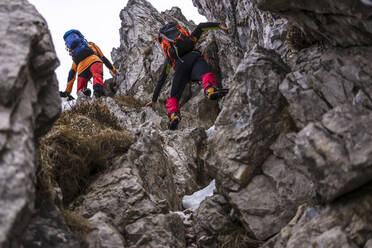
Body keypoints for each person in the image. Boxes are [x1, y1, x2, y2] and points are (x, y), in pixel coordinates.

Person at [146, 22, 229, 130]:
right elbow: (201, 27)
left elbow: (162, 79)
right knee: (204, 74)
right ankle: (210, 89)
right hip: (194, 57)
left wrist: (154, 100)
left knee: (174, 95)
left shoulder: (170, 58)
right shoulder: (189, 39)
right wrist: (218, 25)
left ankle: (174, 114)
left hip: (180, 67)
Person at [59, 29, 118, 99]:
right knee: (97, 77)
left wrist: (67, 91)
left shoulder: (76, 55)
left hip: (81, 68)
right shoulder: (91, 45)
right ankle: (98, 92)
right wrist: (114, 71)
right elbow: (104, 59)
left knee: (80, 90)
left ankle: (83, 94)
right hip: (95, 61)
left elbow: (72, 74)